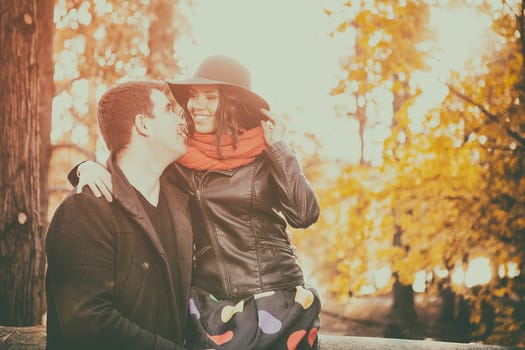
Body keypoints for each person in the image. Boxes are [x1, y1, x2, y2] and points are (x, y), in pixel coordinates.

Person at [72, 55, 322, 349]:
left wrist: (280, 148)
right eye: (193, 96)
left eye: (209, 97)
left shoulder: (267, 153)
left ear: (231, 102)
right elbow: (134, 168)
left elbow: (304, 214)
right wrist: (84, 168)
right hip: (210, 301)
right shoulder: (178, 157)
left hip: (275, 293)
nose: (195, 105)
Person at [45, 80, 193, 350]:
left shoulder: (182, 206)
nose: (181, 116)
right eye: (169, 108)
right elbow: (87, 323)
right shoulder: (85, 210)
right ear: (143, 125)